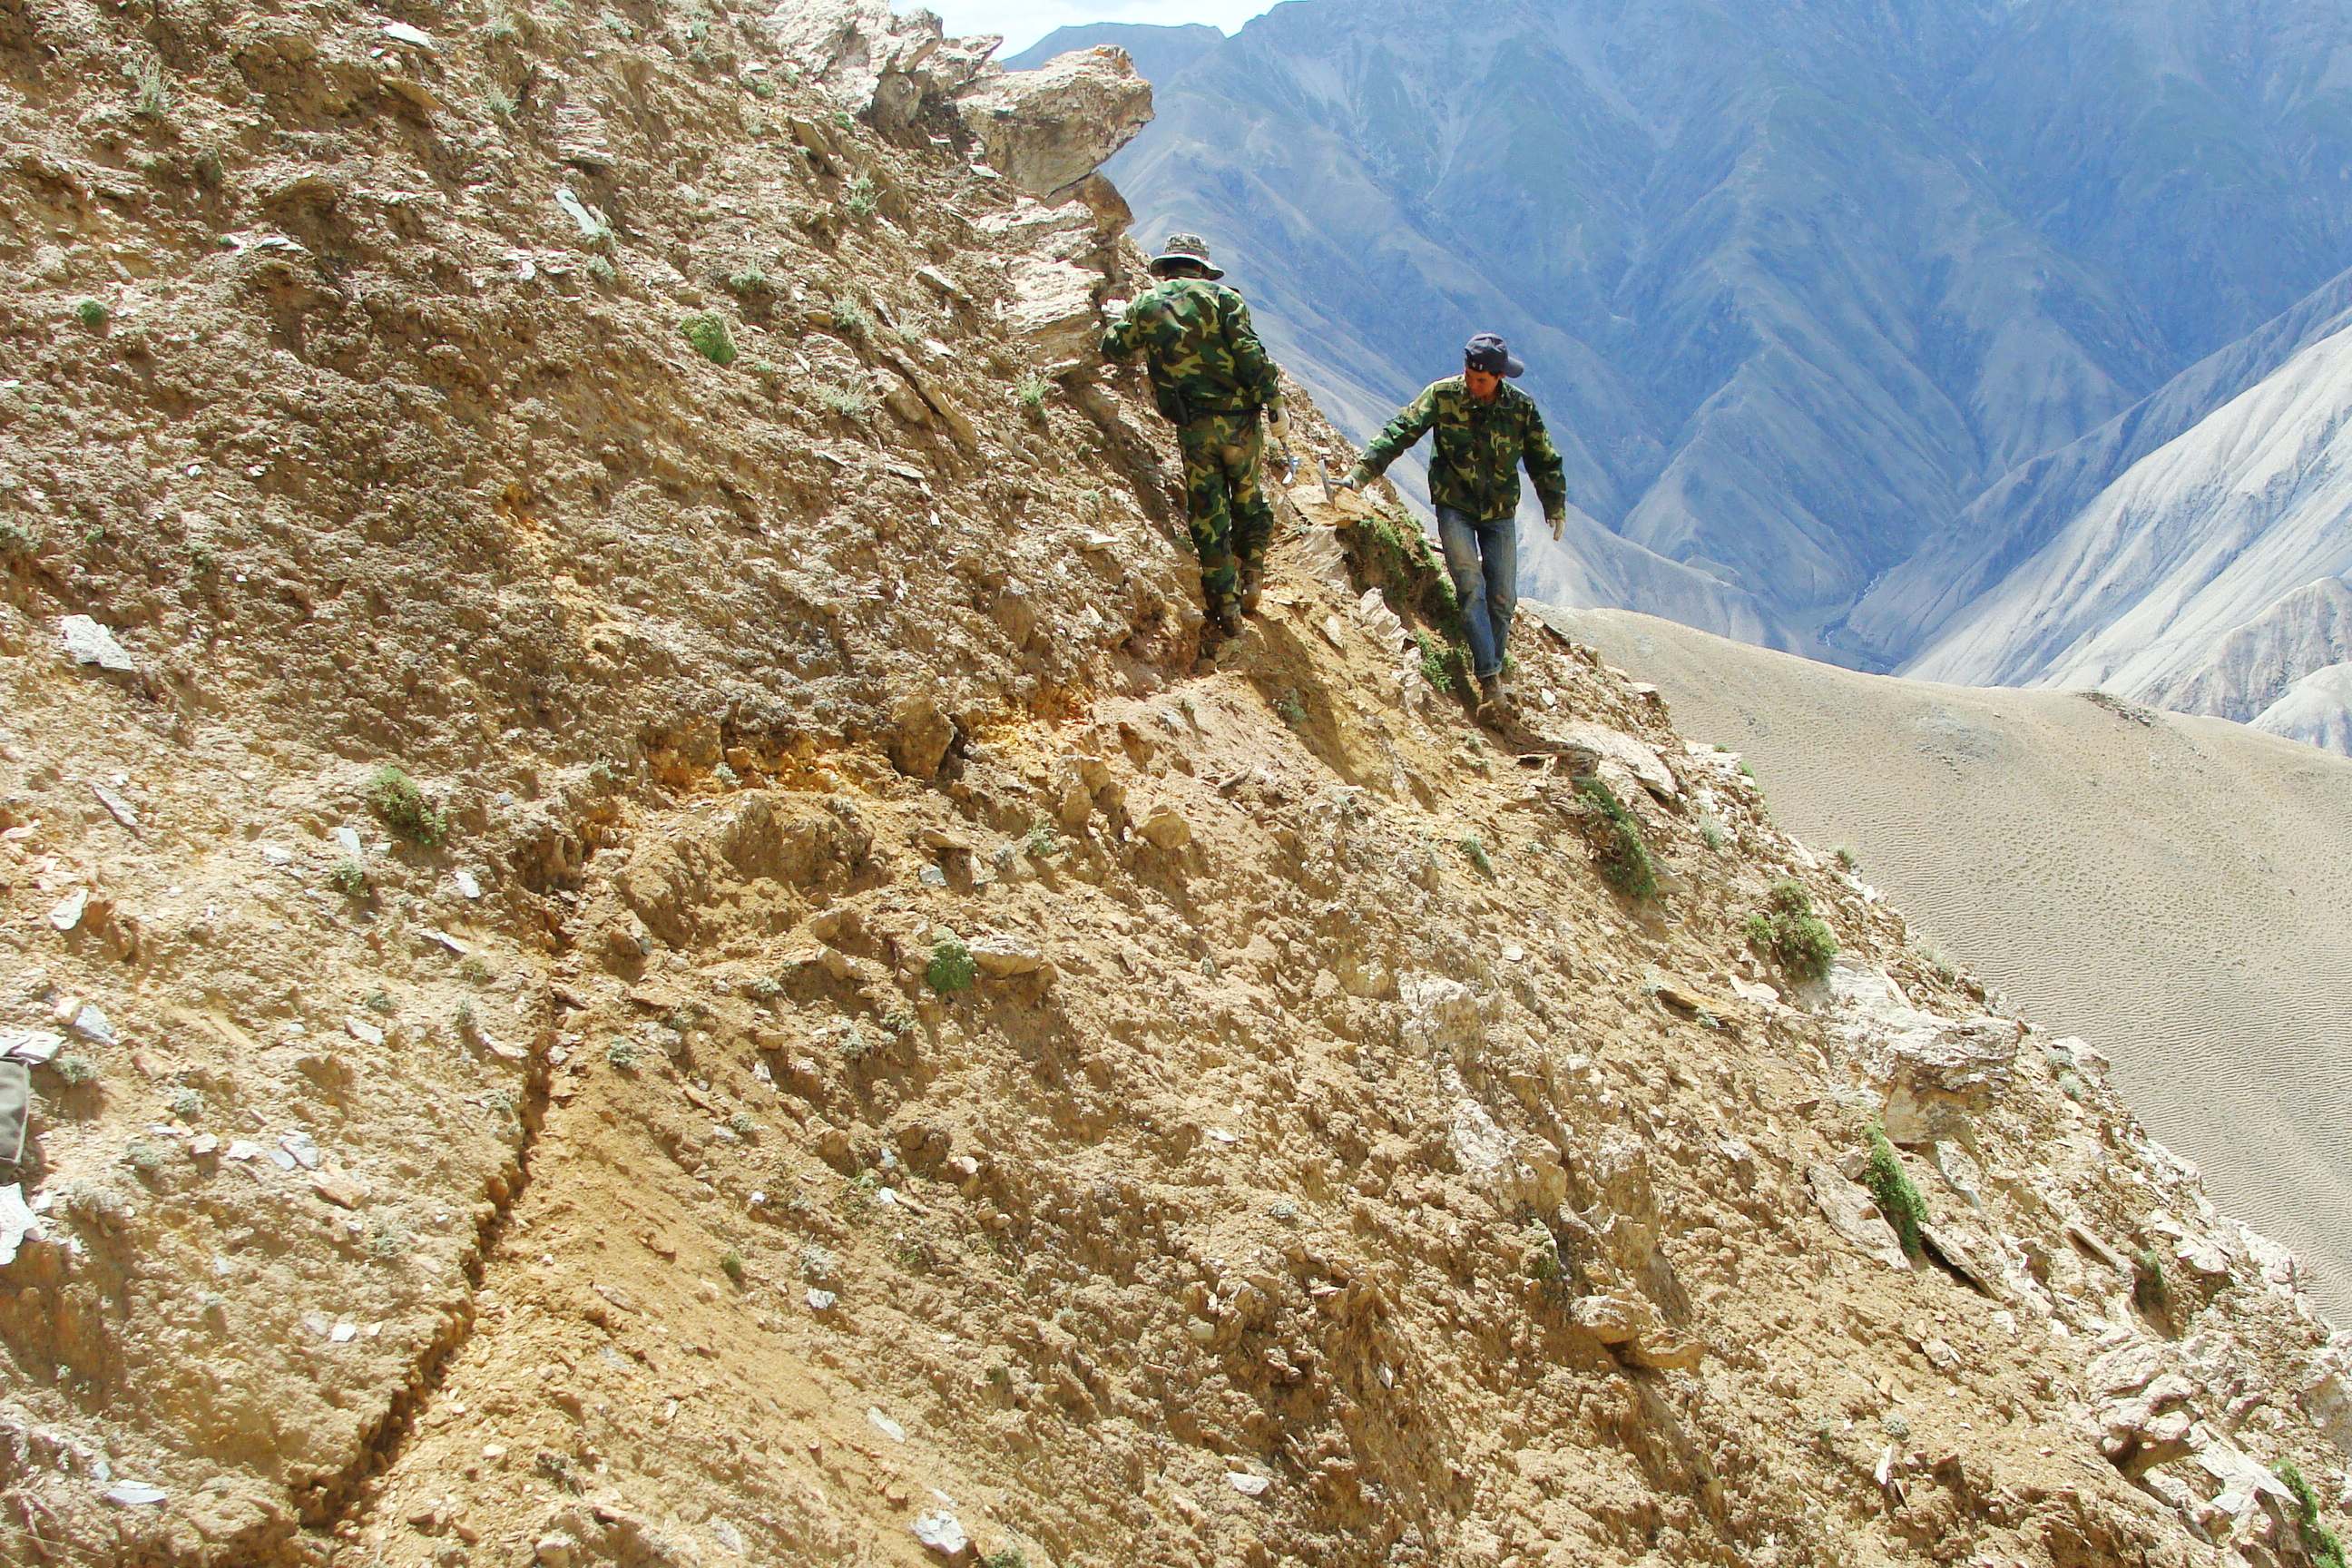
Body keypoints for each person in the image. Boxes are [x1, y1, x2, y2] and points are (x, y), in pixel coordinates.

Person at [1338, 333, 1568, 715]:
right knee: (1470, 586)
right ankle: (1490, 681)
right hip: (1454, 506)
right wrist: (1362, 473)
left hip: (1499, 513)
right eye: (1468, 375)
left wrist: (1554, 504)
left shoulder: (1520, 410)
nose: (1471, 384)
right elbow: (1402, 430)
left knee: (1502, 598)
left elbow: (1543, 458)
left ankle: (1491, 673)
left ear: (1499, 378)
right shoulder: (1443, 395)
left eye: (1481, 380)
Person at [1101, 233, 1293, 637]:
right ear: (1202, 268)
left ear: (1167, 267)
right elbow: (1252, 356)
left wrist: (1117, 320)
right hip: (1240, 423)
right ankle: (1252, 573)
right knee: (1248, 496)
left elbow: (1114, 349)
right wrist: (1274, 402)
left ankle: (1226, 609)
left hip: (1193, 427)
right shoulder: (1225, 300)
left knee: (1209, 515)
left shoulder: (1146, 304)